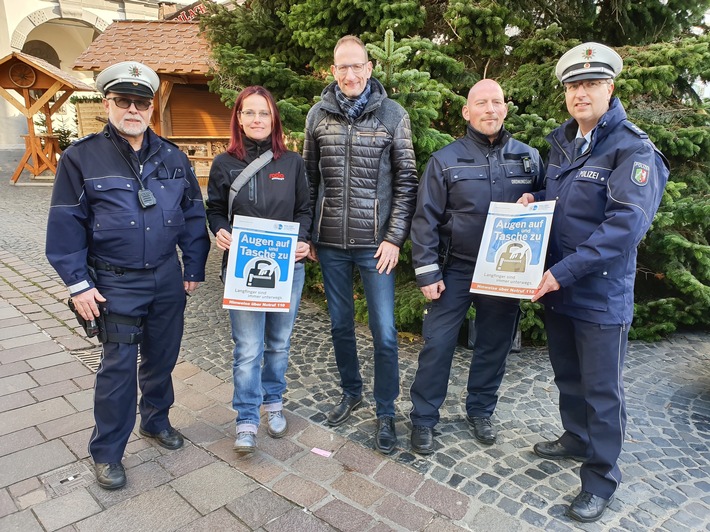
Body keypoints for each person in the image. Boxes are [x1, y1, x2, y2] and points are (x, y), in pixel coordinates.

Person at [518, 42, 669, 522]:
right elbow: (568, 200)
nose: (581, 93)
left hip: (598, 293)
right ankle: (575, 438)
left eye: (591, 84)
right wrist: (533, 197)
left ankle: (601, 477)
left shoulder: (633, 148)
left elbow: (623, 228)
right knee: (567, 375)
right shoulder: (563, 141)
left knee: (602, 391)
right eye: (573, 86)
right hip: (559, 287)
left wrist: (559, 274)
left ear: (610, 88)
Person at [45, 61, 210, 490]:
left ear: (151, 107)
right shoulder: (81, 158)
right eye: (124, 101)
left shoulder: (173, 156)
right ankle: (107, 453)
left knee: (162, 358)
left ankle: (155, 422)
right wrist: (79, 284)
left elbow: (194, 214)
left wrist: (193, 264)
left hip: (166, 278)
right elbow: (65, 225)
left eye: (141, 101)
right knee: (118, 367)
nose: (133, 109)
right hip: (113, 281)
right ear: (107, 103)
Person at [408, 80, 544, 455]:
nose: (490, 109)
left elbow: (548, 207)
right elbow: (425, 219)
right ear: (467, 112)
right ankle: (423, 418)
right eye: (481, 103)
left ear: (505, 108)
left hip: (505, 271)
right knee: (437, 344)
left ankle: (481, 410)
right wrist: (427, 271)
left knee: (494, 346)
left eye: (496, 102)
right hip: (455, 269)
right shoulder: (444, 160)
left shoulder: (528, 158)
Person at [303, 35, 418, 454]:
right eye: (342, 68)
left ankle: (385, 410)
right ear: (333, 71)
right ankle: (351, 392)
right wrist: (306, 234)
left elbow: (407, 181)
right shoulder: (318, 115)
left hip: (375, 247)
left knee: (385, 333)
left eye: (357, 66)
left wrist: (393, 238)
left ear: (369, 68)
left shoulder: (392, 114)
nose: (350, 74)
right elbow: (308, 181)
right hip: (330, 242)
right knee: (339, 326)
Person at [206, 86, 312, 453]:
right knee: (248, 347)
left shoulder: (293, 163)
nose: (256, 120)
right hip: (242, 268)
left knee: (279, 343)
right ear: (238, 118)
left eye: (263, 113)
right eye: (249, 113)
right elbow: (215, 208)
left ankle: (274, 403)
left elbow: (304, 210)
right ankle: (247, 418)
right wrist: (219, 229)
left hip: (287, 268)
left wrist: (305, 240)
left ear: (274, 119)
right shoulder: (224, 164)